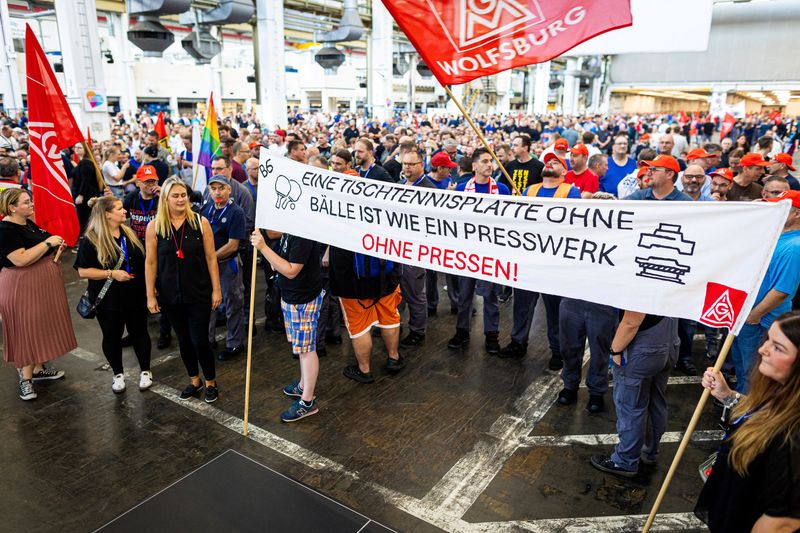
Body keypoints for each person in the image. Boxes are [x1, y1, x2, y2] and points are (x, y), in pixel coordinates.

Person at [696, 311, 800, 533]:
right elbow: (761, 414)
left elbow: (781, 523)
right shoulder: (780, 393)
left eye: (778, 348)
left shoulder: (793, 439)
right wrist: (727, 395)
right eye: (768, 340)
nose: (763, 350)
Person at [145, 178, 222, 403]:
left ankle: (210, 381)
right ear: (165, 199)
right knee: (184, 340)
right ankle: (194, 380)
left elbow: (211, 258)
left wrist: (216, 289)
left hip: (198, 292)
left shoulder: (200, 222)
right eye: (176, 196)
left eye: (183, 195)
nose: (181, 199)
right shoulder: (155, 226)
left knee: (200, 340)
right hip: (170, 295)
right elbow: (150, 263)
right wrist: (150, 294)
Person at [0, 189, 74, 400]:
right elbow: (21, 259)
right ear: (12, 207)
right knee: (26, 331)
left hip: (39, 286)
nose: (32, 204)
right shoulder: (6, 229)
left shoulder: (27, 222)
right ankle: (25, 380)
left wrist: (53, 249)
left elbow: (37, 249)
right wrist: (48, 243)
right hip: (21, 287)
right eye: (26, 202)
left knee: (40, 328)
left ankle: (38, 370)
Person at [74, 196, 151, 393]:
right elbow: (83, 271)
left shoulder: (129, 233)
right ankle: (118, 374)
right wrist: (111, 273)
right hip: (108, 300)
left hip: (135, 296)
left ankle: (146, 371)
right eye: (120, 208)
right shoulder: (91, 239)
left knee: (140, 333)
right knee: (111, 337)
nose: (125, 211)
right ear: (107, 215)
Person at [590, 309, 680, 477]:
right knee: (656, 401)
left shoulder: (644, 282)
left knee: (630, 407)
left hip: (644, 348)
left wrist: (614, 350)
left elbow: (632, 322)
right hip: (669, 339)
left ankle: (624, 461)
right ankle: (650, 451)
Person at [730, 190, 800, 392]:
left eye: (782, 207)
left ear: (796, 213)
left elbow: (782, 290)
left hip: (761, 321)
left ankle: (747, 415)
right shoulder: (782, 236)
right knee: (743, 365)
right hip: (751, 316)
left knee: (754, 373)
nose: (776, 210)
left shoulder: (794, 247)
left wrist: (755, 314)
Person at [251, 229, 323, 422]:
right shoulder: (291, 229)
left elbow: (291, 270)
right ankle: (302, 385)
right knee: (301, 347)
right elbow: (281, 263)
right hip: (292, 295)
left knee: (306, 349)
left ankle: (308, 401)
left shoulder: (302, 233)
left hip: (303, 298)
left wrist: (263, 247)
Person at [449, 148, 511, 354]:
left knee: (491, 295)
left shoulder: (502, 189)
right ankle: (462, 331)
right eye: (484, 161)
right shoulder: (460, 190)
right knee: (464, 294)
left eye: (491, 161)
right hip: (467, 251)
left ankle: (491, 335)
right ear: (474, 165)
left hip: (491, 251)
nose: (489, 165)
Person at [201, 175, 246, 361]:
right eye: (214, 189)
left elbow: (233, 245)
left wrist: (210, 258)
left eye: (221, 188)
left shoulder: (236, 212)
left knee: (232, 303)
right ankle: (208, 340)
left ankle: (235, 344)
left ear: (229, 190)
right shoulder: (206, 208)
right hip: (208, 264)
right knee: (207, 304)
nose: (217, 192)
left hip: (227, 264)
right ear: (209, 191)